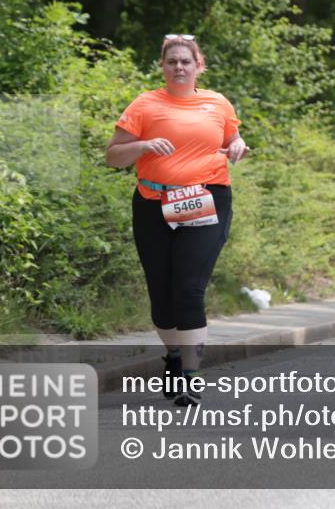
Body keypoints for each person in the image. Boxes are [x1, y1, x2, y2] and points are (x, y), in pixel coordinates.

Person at [106, 35, 249, 406]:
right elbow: (113, 156)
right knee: (161, 294)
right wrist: (142, 146)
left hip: (206, 199)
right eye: (172, 62)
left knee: (189, 288)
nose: (179, 67)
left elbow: (234, 140)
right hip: (154, 201)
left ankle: (190, 376)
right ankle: (172, 356)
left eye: (186, 61)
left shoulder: (217, 103)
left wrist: (238, 148)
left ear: (198, 65)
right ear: (163, 67)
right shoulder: (144, 104)